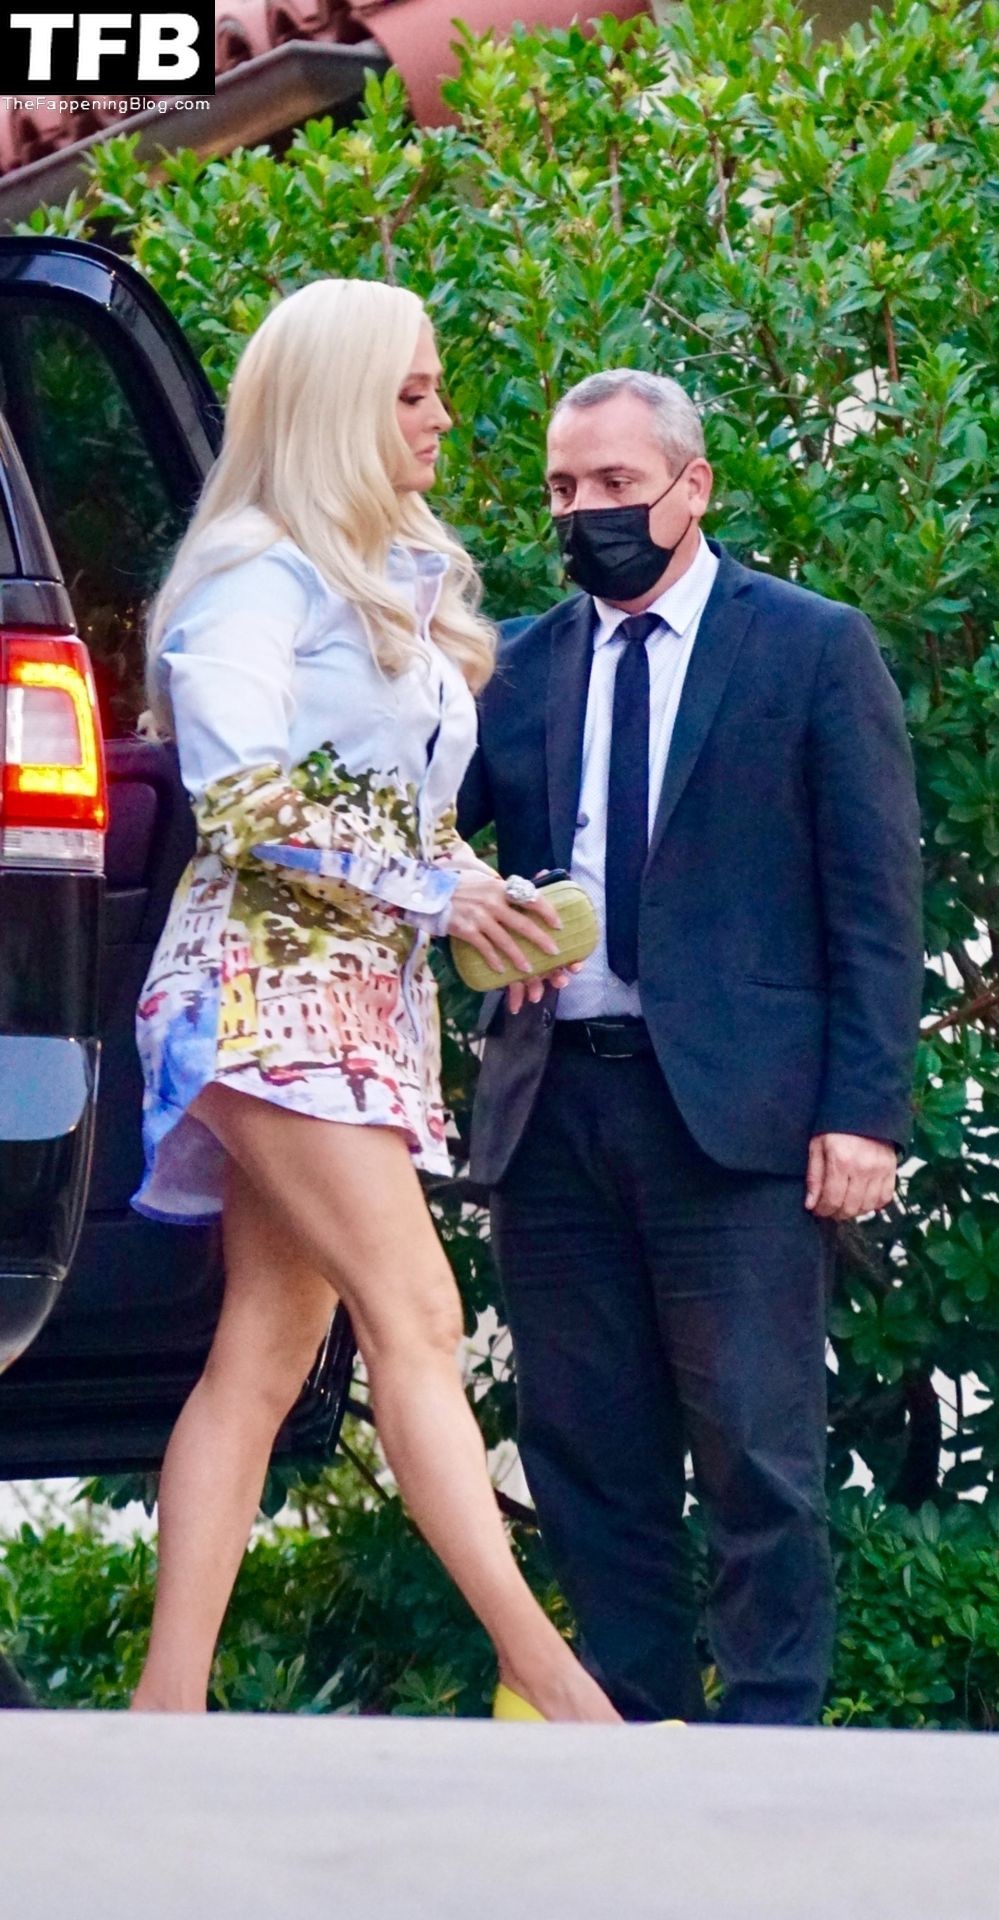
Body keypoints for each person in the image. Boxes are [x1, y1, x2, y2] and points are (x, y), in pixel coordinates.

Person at [128, 278, 619, 1723]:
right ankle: (554, 1683)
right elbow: (241, 801)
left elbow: (403, 815)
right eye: (413, 393)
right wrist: (433, 893)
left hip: (358, 1002)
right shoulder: (254, 581)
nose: (442, 418)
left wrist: (482, 894)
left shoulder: (374, 578)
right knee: (418, 1310)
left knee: (269, 1350)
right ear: (338, 406)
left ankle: (165, 1711)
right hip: (266, 991)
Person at [457, 368, 923, 1725]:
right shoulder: (517, 664)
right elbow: (421, 832)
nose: (586, 511)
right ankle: (631, 1741)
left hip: (736, 1119)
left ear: (691, 485)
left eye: (615, 483)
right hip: (552, 1113)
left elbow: (875, 898)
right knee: (586, 1457)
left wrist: (864, 1112)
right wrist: (466, 889)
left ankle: (770, 1751)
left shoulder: (810, 648)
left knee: (758, 1458)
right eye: (564, 489)